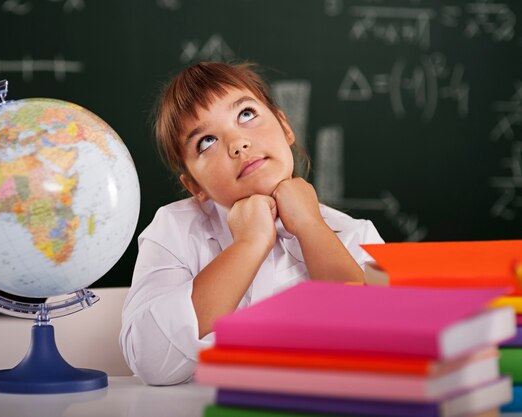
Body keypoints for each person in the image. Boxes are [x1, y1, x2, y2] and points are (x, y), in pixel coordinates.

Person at [119, 61, 384, 385]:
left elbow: (379, 345)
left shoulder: (355, 233)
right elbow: (150, 361)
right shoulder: (174, 230)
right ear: (195, 186)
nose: (238, 144)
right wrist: (249, 244)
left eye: (246, 114)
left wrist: (310, 226)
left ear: (286, 127)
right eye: (206, 141)